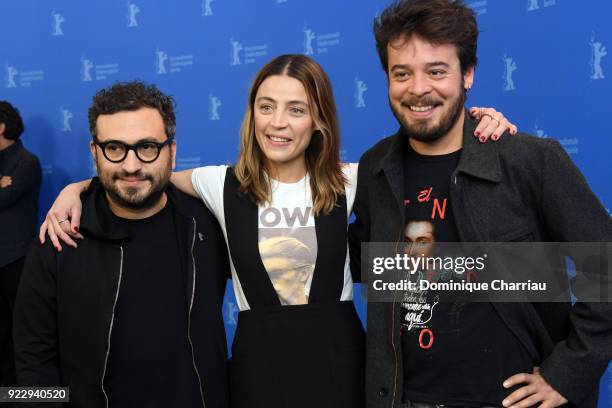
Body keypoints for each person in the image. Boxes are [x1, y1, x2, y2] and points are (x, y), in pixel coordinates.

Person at [39, 55, 514, 408]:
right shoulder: (218, 183)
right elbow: (139, 173)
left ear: (318, 120)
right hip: (257, 367)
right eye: (267, 107)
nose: (278, 123)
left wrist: (480, 121)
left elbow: (439, 151)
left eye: (296, 109)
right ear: (253, 114)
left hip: (340, 361)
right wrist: (76, 189)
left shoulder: (356, 178)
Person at [348, 1, 612, 407]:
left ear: (467, 74)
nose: (418, 88)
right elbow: (359, 262)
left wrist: (567, 374)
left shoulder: (529, 160)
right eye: (402, 73)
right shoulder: (375, 169)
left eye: (437, 71)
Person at [14, 82, 230, 408]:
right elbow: (31, 364)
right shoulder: (58, 236)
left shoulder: (209, 222)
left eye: (147, 147)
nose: (131, 166)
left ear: (172, 153)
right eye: (114, 148)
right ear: (95, 152)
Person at [0, 101, 41, 387]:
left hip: (14, 260)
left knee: (19, 332)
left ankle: (21, 396)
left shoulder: (26, 161)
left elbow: (5, 198)